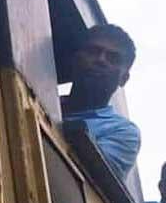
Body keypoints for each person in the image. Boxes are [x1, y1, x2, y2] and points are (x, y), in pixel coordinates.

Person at [60, 24, 140, 185]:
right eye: (93, 52)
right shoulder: (41, 98)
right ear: (75, 60)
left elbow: (87, 181)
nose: (101, 60)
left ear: (124, 78)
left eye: (113, 58)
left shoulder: (122, 132)